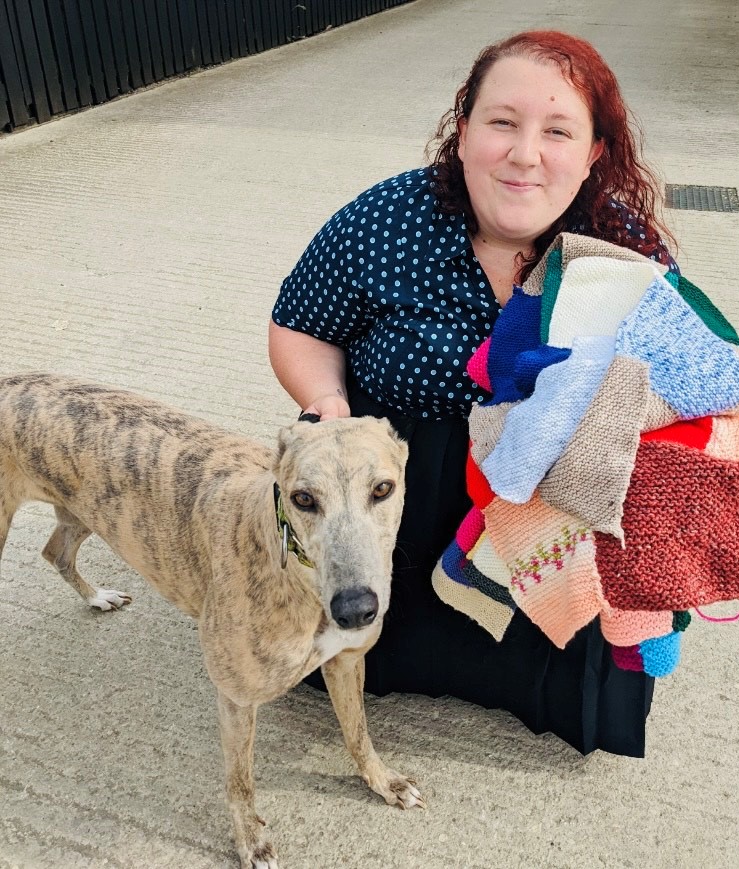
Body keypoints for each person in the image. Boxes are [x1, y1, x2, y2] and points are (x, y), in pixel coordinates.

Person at [268, 30, 678, 758]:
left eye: (558, 131)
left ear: (592, 155)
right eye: (502, 123)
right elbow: (298, 326)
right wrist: (326, 402)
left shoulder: (624, 243)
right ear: (463, 135)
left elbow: (680, 381)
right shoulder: (387, 219)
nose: (525, 153)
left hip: (549, 494)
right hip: (404, 484)